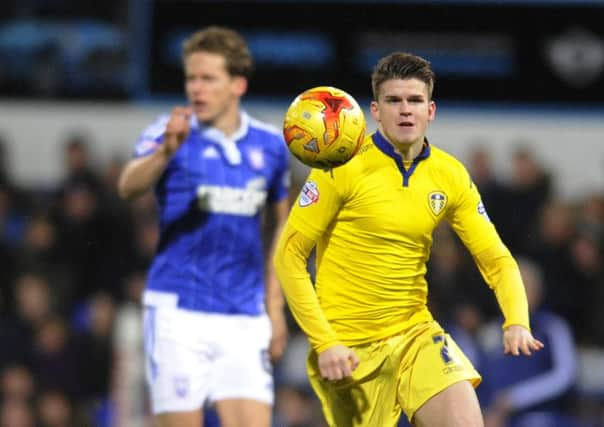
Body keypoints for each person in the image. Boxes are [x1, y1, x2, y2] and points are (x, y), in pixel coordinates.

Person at [273, 52, 544, 427]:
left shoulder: (450, 175)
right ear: (375, 110)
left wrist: (517, 320)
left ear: (430, 110)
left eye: (415, 100)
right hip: (349, 349)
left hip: (415, 334)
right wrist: (324, 341)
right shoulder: (340, 167)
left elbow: (496, 259)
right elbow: (289, 257)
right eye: (393, 100)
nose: (405, 110)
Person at [117, 26, 290, 427]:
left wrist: (275, 309)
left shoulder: (270, 146)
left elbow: (282, 229)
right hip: (179, 312)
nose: (197, 88)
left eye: (208, 78)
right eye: (191, 78)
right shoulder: (170, 132)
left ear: (237, 84)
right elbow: (128, 185)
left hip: (244, 313)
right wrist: (166, 152)